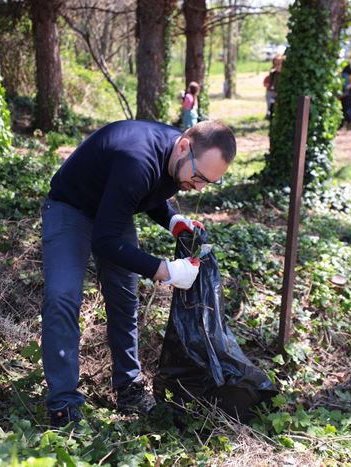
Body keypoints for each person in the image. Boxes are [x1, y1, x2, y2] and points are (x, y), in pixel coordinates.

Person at [42, 120, 236, 428]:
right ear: (184, 147)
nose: (199, 187)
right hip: (70, 208)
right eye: (199, 177)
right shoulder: (138, 159)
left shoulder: (177, 159)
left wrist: (172, 219)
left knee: (124, 298)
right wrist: (165, 270)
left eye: (208, 182)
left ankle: (129, 387)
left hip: (112, 212)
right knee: (62, 297)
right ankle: (63, 405)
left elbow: (149, 191)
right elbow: (105, 241)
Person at [263, 54, 283, 119]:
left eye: (279, 64)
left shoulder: (285, 75)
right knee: (269, 98)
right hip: (272, 92)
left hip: (280, 92)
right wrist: (266, 84)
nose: (277, 66)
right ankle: (269, 112)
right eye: (275, 64)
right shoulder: (273, 73)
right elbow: (268, 80)